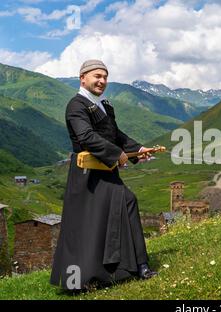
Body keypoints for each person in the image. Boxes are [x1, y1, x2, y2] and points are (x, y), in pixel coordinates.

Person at [50, 60, 157, 290]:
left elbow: (116, 134)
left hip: (106, 170)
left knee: (116, 210)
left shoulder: (105, 106)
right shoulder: (76, 105)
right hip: (86, 175)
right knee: (86, 225)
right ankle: (78, 281)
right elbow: (86, 137)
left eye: (105, 77)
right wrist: (117, 154)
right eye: (97, 76)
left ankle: (132, 267)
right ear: (83, 78)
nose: (102, 81)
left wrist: (138, 150)